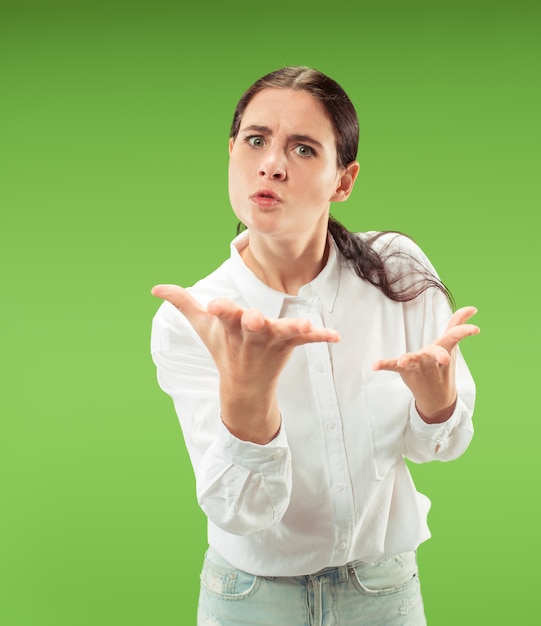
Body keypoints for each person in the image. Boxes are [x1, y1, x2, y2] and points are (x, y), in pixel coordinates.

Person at [150, 65, 479, 626]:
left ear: (343, 181)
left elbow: (441, 447)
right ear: (232, 153)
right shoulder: (197, 320)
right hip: (250, 600)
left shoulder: (395, 272)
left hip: (384, 593)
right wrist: (249, 402)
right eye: (256, 141)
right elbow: (241, 513)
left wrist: (437, 401)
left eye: (303, 149)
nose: (271, 164)